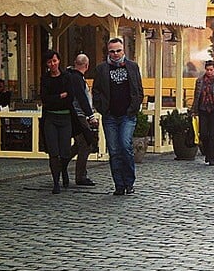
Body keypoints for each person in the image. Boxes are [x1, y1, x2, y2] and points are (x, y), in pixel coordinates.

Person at [92, 37, 143, 195]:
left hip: (127, 115)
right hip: (110, 116)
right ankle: (119, 185)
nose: (115, 54)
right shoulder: (101, 69)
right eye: (112, 51)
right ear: (108, 52)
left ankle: (129, 182)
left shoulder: (132, 66)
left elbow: (138, 90)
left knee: (125, 145)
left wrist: (133, 108)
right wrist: (102, 108)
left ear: (123, 50)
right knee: (114, 150)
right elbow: (96, 91)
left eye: (118, 51)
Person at [40, 49, 74, 194]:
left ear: (59, 61)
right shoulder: (45, 79)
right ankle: (56, 182)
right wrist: (60, 96)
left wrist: (57, 98)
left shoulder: (67, 77)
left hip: (65, 117)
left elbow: (71, 97)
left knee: (65, 151)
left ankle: (64, 169)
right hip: (51, 118)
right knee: (53, 152)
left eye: (54, 60)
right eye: (49, 62)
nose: (53, 64)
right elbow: (45, 99)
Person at [66, 54, 98, 186]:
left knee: (79, 144)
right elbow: (81, 98)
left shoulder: (71, 76)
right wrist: (90, 115)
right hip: (78, 115)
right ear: (87, 65)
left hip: (75, 114)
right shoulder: (77, 78)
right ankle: (80, 176)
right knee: (86, 143)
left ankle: (61, 163)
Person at [191, 60, 214, 166]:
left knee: (213, 135)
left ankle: (212, 157)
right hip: (203, 110)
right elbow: (196, 97)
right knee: (203, 134)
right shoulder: (200, 81)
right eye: (207, 70)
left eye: (211, 70)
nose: (209, 72)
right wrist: (194, 111)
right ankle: (207, 152)